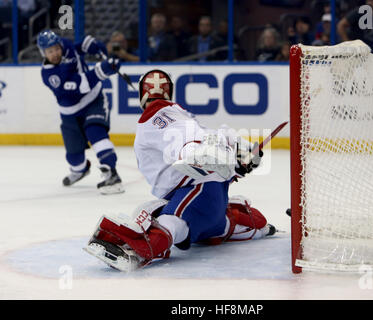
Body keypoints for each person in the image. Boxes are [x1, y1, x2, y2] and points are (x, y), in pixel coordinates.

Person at [84, 69, 276, 271]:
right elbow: (212, 137)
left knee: (171, 222)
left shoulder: (157, 115)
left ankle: (140, 249)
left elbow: (184, 139)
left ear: (142, 94)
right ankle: (244, 222)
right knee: (153, 212)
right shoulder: (180, 114)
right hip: (209, 203)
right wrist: (239, 158)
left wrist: (193, 150)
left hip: (198, 191)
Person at [37, 30, 124, 194]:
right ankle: (80, 169)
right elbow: (81, 85)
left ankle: (112, 174)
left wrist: (92, 46)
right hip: (70, 113)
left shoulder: (65, 46)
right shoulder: (50, 75)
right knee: (74, 156)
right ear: (43, 53)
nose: (55, 53)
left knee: (95, 132)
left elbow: (78, 48)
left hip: (93, 101)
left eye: (56, 48)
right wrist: (103, 70)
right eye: (50, 51)